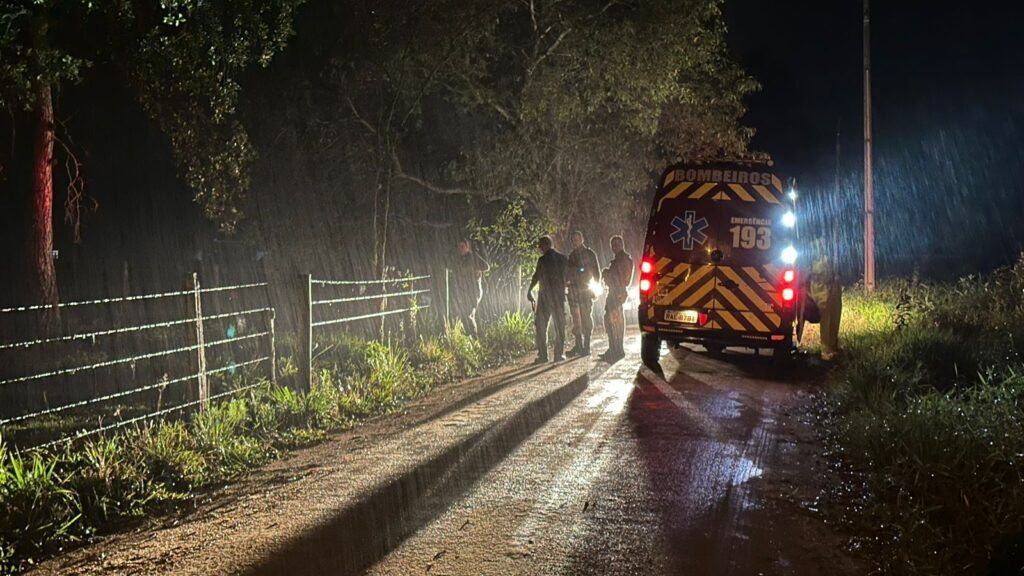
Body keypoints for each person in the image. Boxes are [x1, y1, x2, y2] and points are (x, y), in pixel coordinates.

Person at [527, 235, 568, 363]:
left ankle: (543, 355)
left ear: (546, 245)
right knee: (559, 326)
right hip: (557, 297)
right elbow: (567, 277)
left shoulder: (542, 260)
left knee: (541, 326)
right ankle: (558, 354)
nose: (539, 248)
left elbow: (536, 276)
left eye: (541, 245)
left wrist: (530, 290)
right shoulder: (562, 259)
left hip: (545, 297)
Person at [566, 231, 600, 356]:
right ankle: (579, 346)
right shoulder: (572, 255)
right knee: (576, 319)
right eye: (573, 240)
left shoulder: (589, 254)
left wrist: (596, 286)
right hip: (574, 290)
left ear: (582, 239)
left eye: (576, 239)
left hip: (585, 290)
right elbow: (568, 272)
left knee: (586, 318)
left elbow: (596, 272)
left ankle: (586, 346)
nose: (575, 242)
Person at [601, 235, 633, 362]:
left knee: (614, 322)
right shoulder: (620, 259)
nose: (614, 247)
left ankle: (617, 350)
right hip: (616, 293)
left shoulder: (623, 260)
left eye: (617, 245)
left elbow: (620, 279)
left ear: (622, 245)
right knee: (612, 321)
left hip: (617, 293)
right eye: (613, 245)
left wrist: (606, 274)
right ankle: (614, 349)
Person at [810, 242, 842, 360]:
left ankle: (833, 345)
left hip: (833, 285)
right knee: (825, 317)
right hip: (821, 287)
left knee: (835, 315)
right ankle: (826, 348)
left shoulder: (831, 244)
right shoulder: (814, 246)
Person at [451, 239, 490, 337]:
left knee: (468, 313)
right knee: (464, 314)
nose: (460, 249)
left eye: (463, 247)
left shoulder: (473, 257)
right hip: (463, 291)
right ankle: (470, 337)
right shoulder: (458, 259)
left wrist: (473, 269)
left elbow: (486, 267)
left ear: (468, 247)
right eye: (459, 247)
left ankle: (473, 337)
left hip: (474, 290)